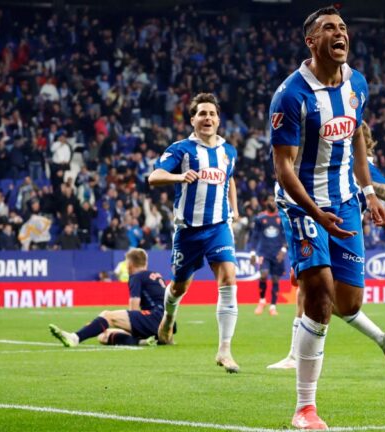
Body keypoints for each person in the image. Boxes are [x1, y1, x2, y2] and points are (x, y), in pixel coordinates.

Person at [269, 7, 385, 429]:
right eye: (329, 28)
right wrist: (314, 211)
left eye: (343, 28)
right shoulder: (291, 95)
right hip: (302, 202)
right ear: (311, 41)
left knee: (348, 303)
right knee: (319, 292)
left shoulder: (358, 83)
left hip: (344, 203)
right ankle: (305, 408)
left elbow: (357, 133)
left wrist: (368, 191)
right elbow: (283, 167)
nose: (340, 33)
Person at [267, 121, 385, 371]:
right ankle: (296, 357)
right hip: (319, 227)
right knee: (309, 290)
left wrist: (366, 186)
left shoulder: (362, 166)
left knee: (345, 305)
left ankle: (381, 338)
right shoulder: (322, 162)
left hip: (346, 235)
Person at [147, 93, 241, 373]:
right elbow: (154, 177)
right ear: (192, 119)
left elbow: (230, 179)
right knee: (179, 287)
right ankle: (168, 317)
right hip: (188, 231)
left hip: (218, 227)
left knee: (228, 278)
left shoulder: (229, 151)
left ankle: (224, 351)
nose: (208, 118)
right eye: (202, 113)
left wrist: (234, 210)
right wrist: (179, 176)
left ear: (219, 119)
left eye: (212, 113)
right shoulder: (182, 150)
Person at [48, 248, 167, 347]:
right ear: (145, 263)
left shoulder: (136, 276)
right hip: (165, 324)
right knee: (103, 335)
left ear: (129, 264)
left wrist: (129, 329)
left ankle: (75, 338)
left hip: (154, 319)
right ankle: (144, 342)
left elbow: (134, 308)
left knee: (107, 315)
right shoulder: (156, 276)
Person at [249, 194, 287, 316]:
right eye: (270, 200)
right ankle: (262, 301)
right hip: (263, 252)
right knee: (263, 275)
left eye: (274, 200)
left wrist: (284, 250)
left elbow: (287, 234)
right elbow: (254, 236)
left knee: (276, 279)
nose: (272, 202)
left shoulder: (281, 217)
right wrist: (253, 252)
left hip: (277, 253)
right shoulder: (260, 218)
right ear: (265, 202)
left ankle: (273, 306)